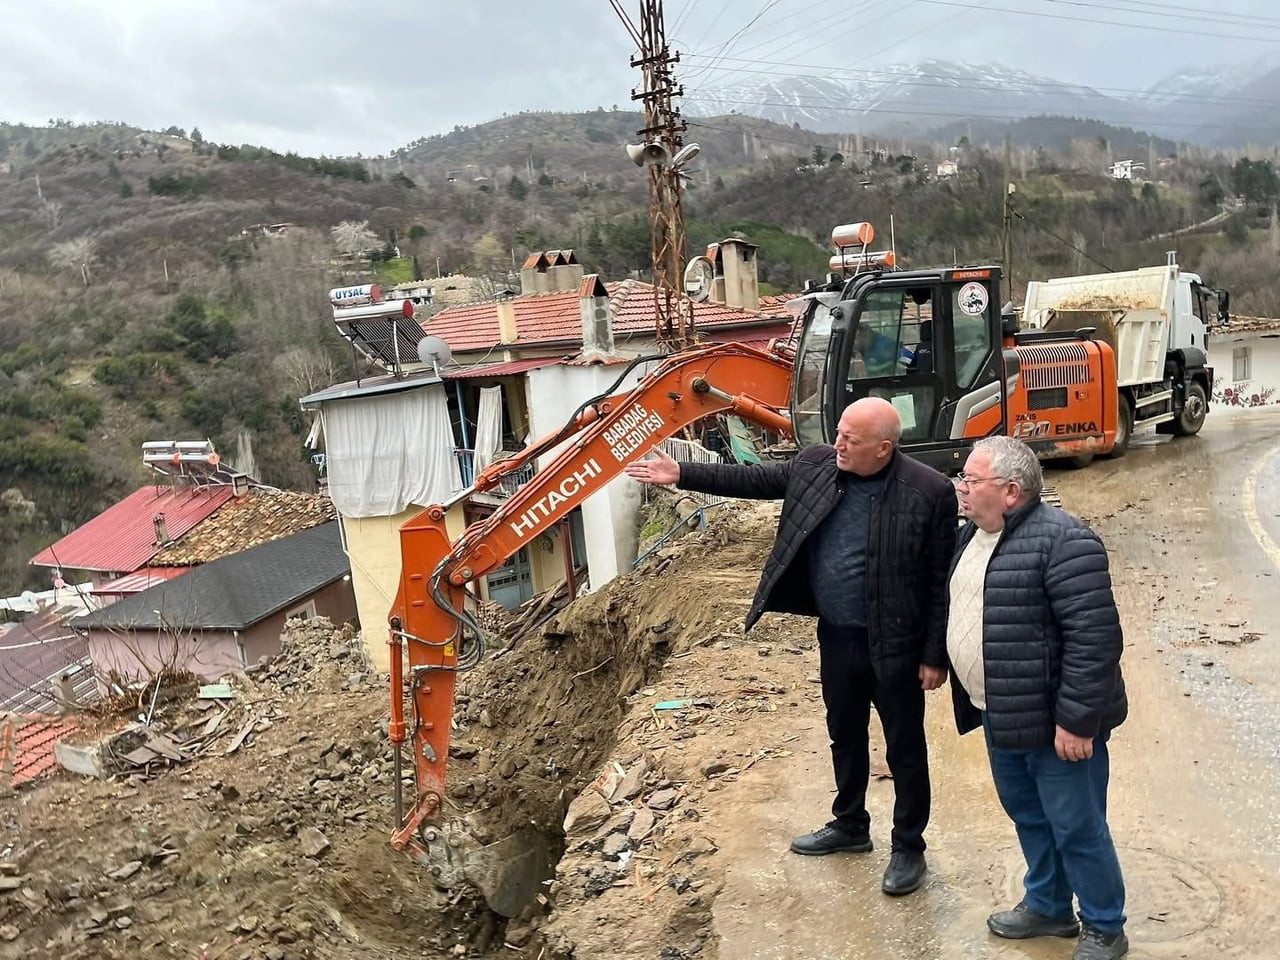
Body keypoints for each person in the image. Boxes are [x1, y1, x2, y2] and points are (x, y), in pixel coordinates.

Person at [624, 397, 956, 896]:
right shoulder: (817, 465)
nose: (839, 443)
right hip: (837, 635)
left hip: (898, 643)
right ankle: (850, 825)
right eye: (840, 432)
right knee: (844, 734)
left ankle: (909, 846)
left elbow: (940, 580)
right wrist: (683, 473)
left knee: (904, 748)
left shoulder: (928, 491)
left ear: (884, 448)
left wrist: (935, 656)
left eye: (852, 439)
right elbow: (756, 482)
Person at [947, 436, 1128, 960]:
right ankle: (1048, 905)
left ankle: (1104, 926)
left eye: (971, 480)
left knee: (1077, 825)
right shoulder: (972, 537)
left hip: (1056, 725)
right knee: (1028, 816)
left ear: (1009, 491)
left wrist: (1076, 721)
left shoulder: (1064, 541)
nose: (961, 487)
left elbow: (1095, 640)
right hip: (1001, 714)